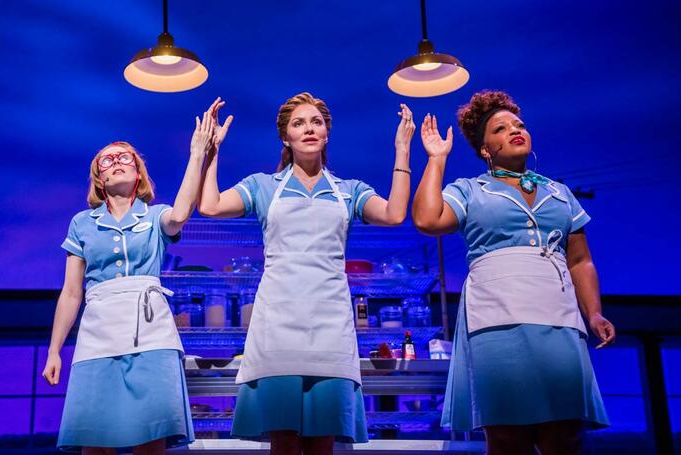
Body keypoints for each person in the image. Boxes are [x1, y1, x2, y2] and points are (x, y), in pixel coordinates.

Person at [198, 93, 414, 454]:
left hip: (330, 323)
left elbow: (394, 214)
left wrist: (402, 149)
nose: (308, 128)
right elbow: (210, 205)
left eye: (316, 122)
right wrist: (212, 150)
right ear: (286, 138)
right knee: (283, 440)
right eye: (298, 123)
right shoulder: (263, 186)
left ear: (327, 132)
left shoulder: (350, 191)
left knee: (322, 440)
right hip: (278, 323)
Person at [412, 90, 615, 454]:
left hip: (558, 319)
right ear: (486, 149)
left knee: (565, 434)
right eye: (500, 129)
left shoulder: (560, 193)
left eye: (518, 125)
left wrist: (594, 311)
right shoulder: (470, 190)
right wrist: (437, 159)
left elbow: (580, 261)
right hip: (496, 322)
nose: (514, 130)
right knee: (507, 438)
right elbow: (427, 219)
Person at [41, 103, 220, 454]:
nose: (117, 161)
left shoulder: (154, 217)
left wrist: (197, 152)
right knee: (95, 442)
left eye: (125, 157)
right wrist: (54, 350)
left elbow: (182, 213)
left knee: (149, 441)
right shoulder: (82, 223)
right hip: (97, 338)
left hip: (151, 337)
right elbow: (72, 292)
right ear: (99, 179)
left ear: (138, 173)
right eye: (106, 160)